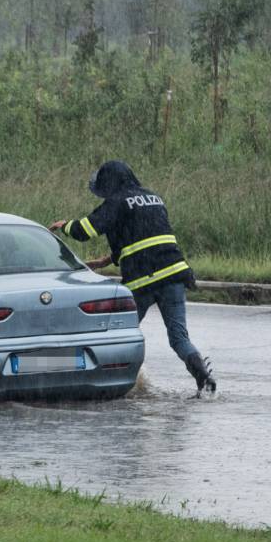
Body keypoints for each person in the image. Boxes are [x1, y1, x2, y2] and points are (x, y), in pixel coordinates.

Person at [49, 161, 216, 395]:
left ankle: (101, 382)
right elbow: (140, 235)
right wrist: (106, 261)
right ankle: (204, 378)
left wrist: (64, 226)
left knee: (115, 334)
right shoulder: (153, 198)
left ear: (109, 183)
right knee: (179, 338)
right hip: (174, 275)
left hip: (142, 282)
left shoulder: (117, 201)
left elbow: (86, 229)